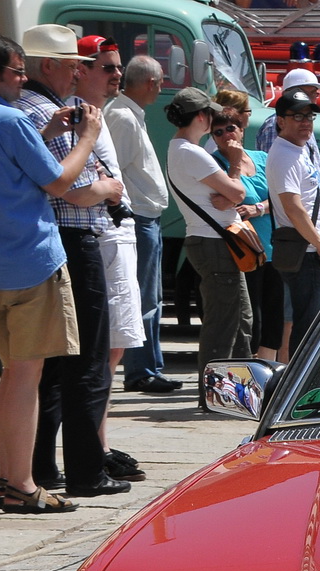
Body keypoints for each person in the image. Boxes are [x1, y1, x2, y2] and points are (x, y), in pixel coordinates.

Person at [0, 31, 102, 513]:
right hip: (32, 260)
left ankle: (9, 478)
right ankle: (21, 484)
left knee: (12, 375)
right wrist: (86, 137)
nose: (23, 80)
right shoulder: (9, 119)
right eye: (17, 71)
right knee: (26, 376)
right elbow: (61, 182)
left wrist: (43, 134)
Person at [17, 24, 127, 500]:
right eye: (72, 66)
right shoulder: (49, 112)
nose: (78, 74)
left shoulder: (23, 109)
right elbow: (72, 187)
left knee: (51, 364)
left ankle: (43, 466)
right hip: (74, 237)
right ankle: (86, 469)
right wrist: (106, 186)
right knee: (87, 361)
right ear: (49, 66)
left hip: (42, 240)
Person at [73, 34, 146, 486]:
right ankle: (92, 447)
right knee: (101, 349)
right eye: (107, 67)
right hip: (99, 237)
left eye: (118, 66)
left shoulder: (99, 116)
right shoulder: (79, 117)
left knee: (114, 346)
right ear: (81, 70)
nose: (117, 74)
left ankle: (98, 442)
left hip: (116, 235)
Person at [167, 87, 251, 374]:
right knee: (224, 324)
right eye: (210, 114)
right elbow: (238, 193)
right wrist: (236, 164)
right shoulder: (190, 152)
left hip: (215, 241)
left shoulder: (182, 149)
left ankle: (238, 389)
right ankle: (216, 391)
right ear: (201, 117)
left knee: (239, 319)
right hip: (214, 242)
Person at [105, 53, 173, 392]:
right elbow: (112, 169)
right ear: (150, 83)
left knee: (152, 297)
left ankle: (150, 367)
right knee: (144, 297)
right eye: (160, 83)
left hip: (148, 217)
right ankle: (141, 370)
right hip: (139, 217)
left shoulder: (129, 115)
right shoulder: (123, 117)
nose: (160, 89)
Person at [267, 85, 320, 346]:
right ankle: (304, 372)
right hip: (306, 251)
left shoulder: (298, 150)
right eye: (297, 116)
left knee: (313, 321)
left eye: (309, 116)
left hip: (311, 250)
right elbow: (293, 207)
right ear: (280, 121)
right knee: (308, 326)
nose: (305, 122)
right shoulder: (284, 155)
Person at [209, 99, 280, 361]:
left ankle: (268, 369)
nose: (226, 135)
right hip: (244, 250)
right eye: (218, 132)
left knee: (274, 318)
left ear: (241, 129)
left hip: (273, 246)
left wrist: (258, 208)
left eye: (231, 128)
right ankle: (249, 367)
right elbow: (223, 200)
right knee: (253, 319)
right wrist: (235, 164)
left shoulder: (262, 158)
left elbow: (282, 198)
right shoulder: (215, 164)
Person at [256, 66, 319, 151]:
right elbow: (273, 158)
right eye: (303, 94)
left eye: (313, 93)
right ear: (286, 94)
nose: (308, 98)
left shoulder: (306, 124)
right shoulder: (273, 126)